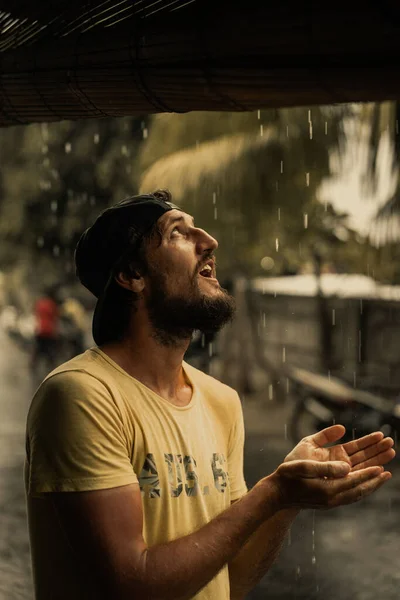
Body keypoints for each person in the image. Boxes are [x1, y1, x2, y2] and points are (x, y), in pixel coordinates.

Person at [24, 190, 396, 600]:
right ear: (132, 274)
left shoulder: (221, 400)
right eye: (178, 234)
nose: (209, 241)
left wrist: (287, 501)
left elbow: (230, 578)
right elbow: (132, 584)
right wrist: (270, 492)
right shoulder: (81, 395)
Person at [30, 285, 60, 375]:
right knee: (50, 349)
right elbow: (56, 316)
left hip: (40, 329)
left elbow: (36, 314)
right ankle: (52, 365)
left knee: (39, 349)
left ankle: (34, 364)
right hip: (49, 330)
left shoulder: (39, 303)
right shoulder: (51, 304)